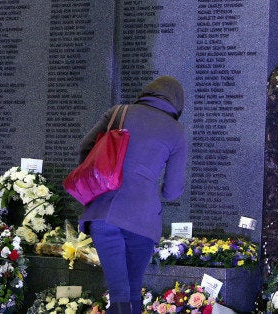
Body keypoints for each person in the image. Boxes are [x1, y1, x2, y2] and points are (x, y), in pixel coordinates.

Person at [77, 76, 188, 314]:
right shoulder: (177, 132)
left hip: (104, 212)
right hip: (142, 219)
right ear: (177, 104)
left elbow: (84, 148)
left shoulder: (119, 112)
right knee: (133, 288)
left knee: (119, 291)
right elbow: (172, 191)